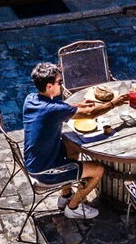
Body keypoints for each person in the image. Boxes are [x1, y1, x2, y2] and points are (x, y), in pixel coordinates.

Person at [23, 62, 128, 220]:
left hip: (35, 161)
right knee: (98, 170)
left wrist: (77, 105)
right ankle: (73, 206)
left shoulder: (31, 99)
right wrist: (114, 103)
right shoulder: (54, 110)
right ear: (50, 86)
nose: (61, 84)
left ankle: (65, 195)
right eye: (60, 82)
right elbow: (90, 114)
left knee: (73, 147)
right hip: (45, 172)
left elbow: (59, 107)